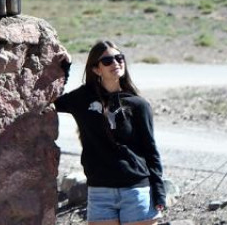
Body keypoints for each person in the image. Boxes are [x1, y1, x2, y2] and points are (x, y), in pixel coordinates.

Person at [55, 41, 165, 225]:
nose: (115, 63)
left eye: (119, 58)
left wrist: (159, 192)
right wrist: (65, 70)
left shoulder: (138, 104)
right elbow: (51, 102)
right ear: (96, 69)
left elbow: (150, 150)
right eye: (107, 61)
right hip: (100, 191)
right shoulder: (82, 99)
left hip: (135, 190)